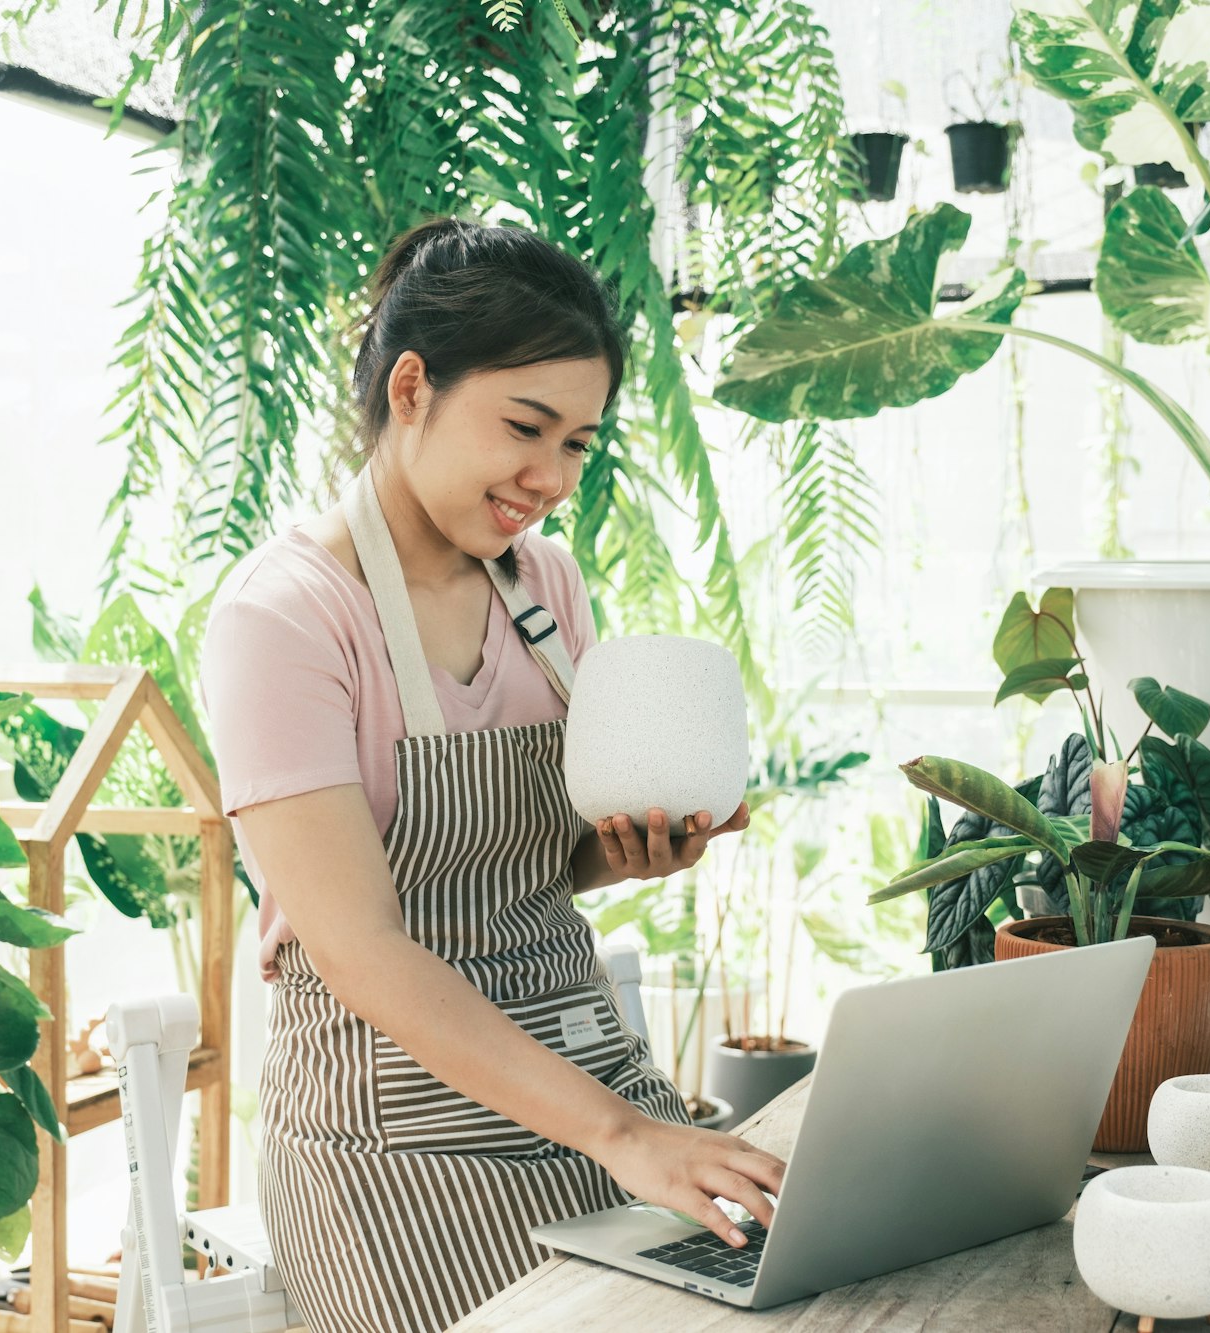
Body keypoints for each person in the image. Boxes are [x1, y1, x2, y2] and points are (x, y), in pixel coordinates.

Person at [200, 217, 782, 1332]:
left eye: (578, 443)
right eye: (525, 426)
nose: (550, 478)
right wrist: (623, 1136)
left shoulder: (543, 586)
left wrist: (621, 852)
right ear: (410, 387)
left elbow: (530, 873)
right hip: (396, 1148)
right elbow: (363, 947)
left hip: (584, 1079)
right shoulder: (285, 619)